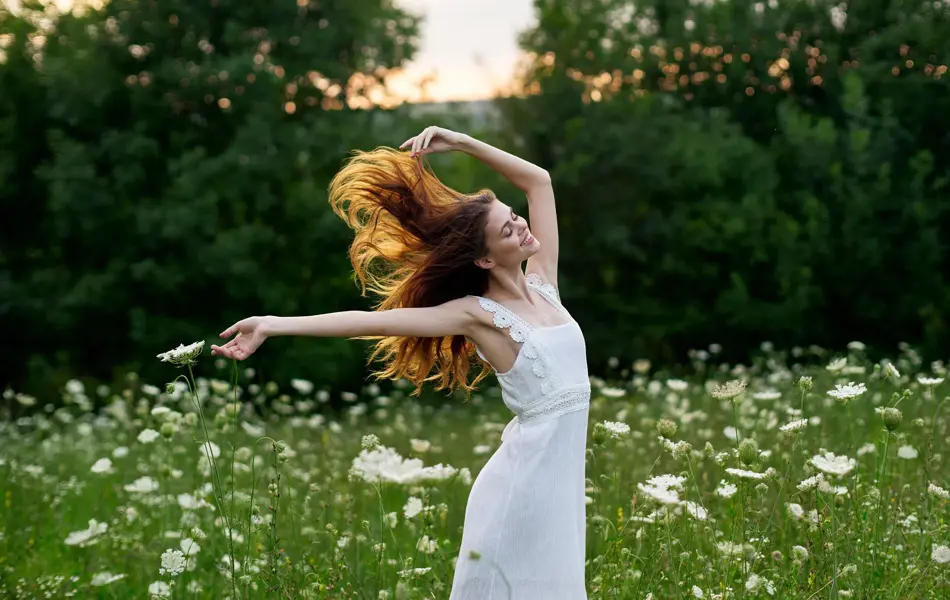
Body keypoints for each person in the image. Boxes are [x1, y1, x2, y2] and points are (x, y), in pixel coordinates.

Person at [211, 126, 590, 599]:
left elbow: (539, 182)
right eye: (506, 229)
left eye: (514, 216)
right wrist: (274, 324)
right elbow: (371, 322)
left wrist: (463, 143)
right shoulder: (478, 315)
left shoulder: (544, 284)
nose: (521, 225)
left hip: (561, 491)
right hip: (524, 489)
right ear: (486, 261)